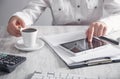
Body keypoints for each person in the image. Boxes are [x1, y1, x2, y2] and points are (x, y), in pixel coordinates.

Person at [7, 0, 120, 42]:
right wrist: (19, 18)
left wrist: (106, 24)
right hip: (57, 42)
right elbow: (31, 10)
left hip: (93, 39)